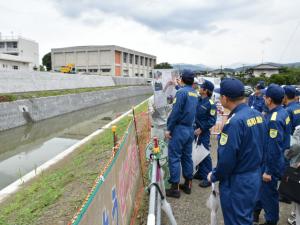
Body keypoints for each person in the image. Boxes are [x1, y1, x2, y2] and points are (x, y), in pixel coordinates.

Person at [207, 78, 266, 225]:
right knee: (244, 217)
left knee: (236, 220)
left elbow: (226, 160)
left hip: (237, 182)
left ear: (225, 98)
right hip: (253, 176)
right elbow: (265, 146)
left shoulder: (234, 122)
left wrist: (214, 175)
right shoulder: (257, 115)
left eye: (221, 96)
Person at [254, 84, 291, 225]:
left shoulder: (274, 119)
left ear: (269, 100)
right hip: (275, 158)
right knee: (261, 189)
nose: (263, 98)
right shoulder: (283, 112)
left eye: (265, 96)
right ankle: (255, 212)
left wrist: (268, 171)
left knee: (269, 194)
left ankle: (271, 220)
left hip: (271, 162)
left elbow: (273, 147)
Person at [165, 69, 198, 198]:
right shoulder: (194, 93)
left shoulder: (181, 93)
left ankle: (175, 188)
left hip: (179, 129)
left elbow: (175, 113)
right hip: (190, 129)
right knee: (187, 156)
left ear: (182, 79)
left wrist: (169, 129)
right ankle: (188, 184)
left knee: (174, 157)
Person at [193, 79, 217, 188]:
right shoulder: (198, 100)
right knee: (198, 152)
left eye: (201, 86)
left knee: (205, 153)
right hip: (195, 130)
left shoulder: (211, 104)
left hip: (203, 132)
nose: (200, 88)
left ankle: (208, 177)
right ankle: (201, 172)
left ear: (206, 90)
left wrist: (201, 129)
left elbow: (212, 121)